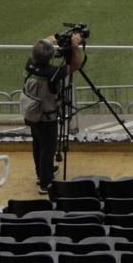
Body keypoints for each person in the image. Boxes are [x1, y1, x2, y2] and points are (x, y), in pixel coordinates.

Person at [22, 25, 85, 193]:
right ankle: (46, 183)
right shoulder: (52, 73)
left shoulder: (30, 65)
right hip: (45, 117)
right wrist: (74, 46)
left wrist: (56, 38)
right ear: (50, 56)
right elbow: (76, 65)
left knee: (37, 144)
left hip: (31, 113)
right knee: (47, 148)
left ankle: (42, 173)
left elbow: (40, 47)